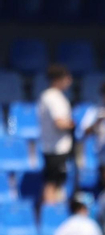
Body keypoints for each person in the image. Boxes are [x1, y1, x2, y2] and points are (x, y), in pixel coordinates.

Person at [37, 65, 75, 207]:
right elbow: (59, 123)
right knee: (52, 183)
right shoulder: (52, 97)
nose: (69, 81)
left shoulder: (52, 96)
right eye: (67, 78)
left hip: (56, 147)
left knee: (57, 182)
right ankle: (50, 212)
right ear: (58, 79)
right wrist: (74, 124)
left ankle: (54, 211)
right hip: (55, 148)